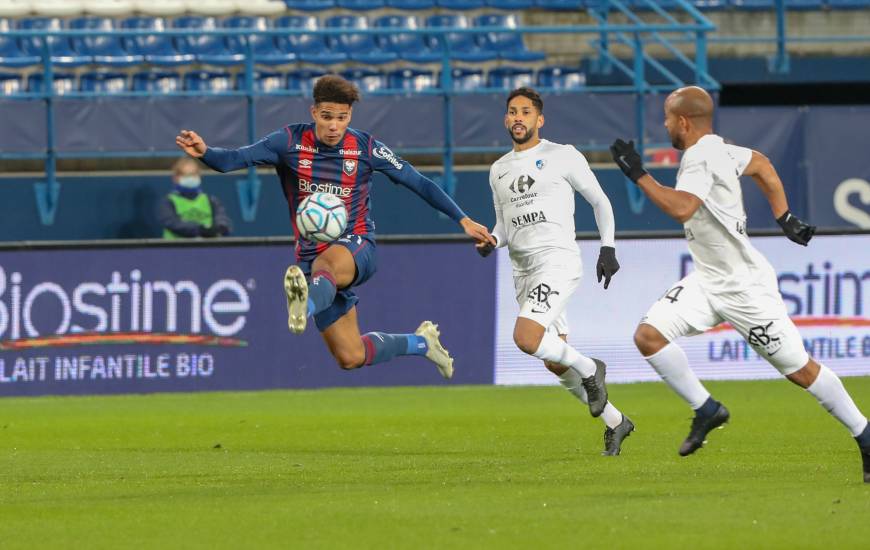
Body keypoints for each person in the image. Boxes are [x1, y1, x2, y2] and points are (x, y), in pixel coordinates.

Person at [610, 85, 869, 481]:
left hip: (744, 289)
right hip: (709, 280)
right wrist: (784, 217)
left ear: (682, 121)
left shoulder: (698, 158)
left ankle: (864, 433)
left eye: (666, 118)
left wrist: (638, 174)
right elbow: (762, 164)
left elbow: (682, 208)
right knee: (648, 336)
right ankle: (706, 409)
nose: (663, 125)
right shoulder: (721, 149)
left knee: (800, 370)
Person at [175, 75, 494, 379]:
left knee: (327, 264)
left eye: (342, 118)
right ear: (314, 111)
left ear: (350, 115)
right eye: (327, 116)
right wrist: (205, 152)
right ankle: (421, 343)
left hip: (357, 246)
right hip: (313, 263)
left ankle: (306, 303)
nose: (334, 125)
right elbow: (233, 160)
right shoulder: (288, 141)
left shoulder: (366, 147)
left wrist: (462, 219)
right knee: (350, 356)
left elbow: (417, 181)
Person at [477, 87, 634, 456]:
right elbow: (503, 226)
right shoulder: (498, 169)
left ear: (539, 119)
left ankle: (591, 367)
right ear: (506, 118)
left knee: (526, 337)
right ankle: (616, 421)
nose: (518, 117)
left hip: (558, 260)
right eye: (513, 111)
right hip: (523, 269)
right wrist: (492, 241)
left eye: (526, 112)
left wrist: (607, 246)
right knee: (552, 360)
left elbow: (600, 200)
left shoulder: (562, 156)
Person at [159, 156, 232, 239]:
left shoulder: (211, 200)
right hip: (177, 248)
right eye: (185, 175)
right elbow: (172, 223)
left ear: (199, 176)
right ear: (175, 178)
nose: (190, 178)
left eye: (193, 174)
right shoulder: (168, 201)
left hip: (208, 248)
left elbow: (222, 219)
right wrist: (200, 229)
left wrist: (220, 228)